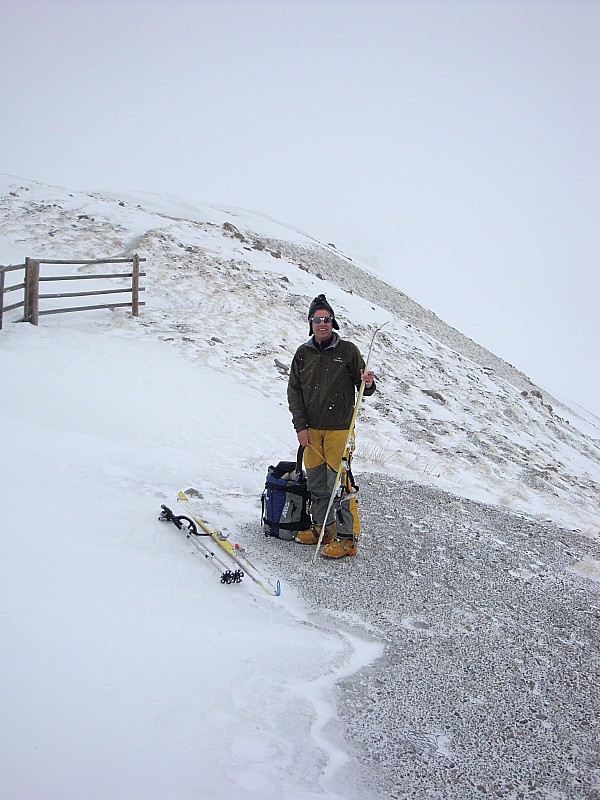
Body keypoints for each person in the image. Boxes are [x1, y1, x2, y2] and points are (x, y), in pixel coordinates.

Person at [287, 294, 376, 558]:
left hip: (339, 430)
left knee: (340, 484)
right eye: (317, 319)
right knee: (316, 483)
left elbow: (366, 387)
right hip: (311, 431)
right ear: (310, 323)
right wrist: (300, 427)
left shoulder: (348, 351)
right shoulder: (303, 354)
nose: (322, 324)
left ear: (333, 322)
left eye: (326, 319)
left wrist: (368, 383)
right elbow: (294, 392)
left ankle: (347, 539)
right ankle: (322, 528)